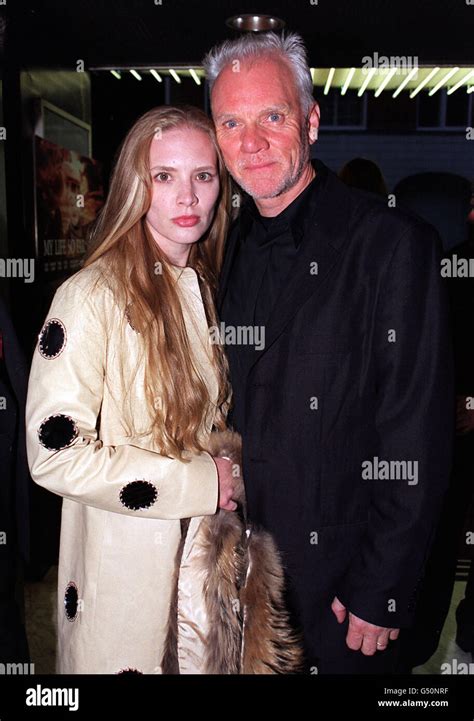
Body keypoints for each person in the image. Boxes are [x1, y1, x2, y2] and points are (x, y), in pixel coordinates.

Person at [203, 31, 454, 674]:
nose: (250, 141)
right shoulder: (213, 248)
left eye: (272, 117)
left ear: (311, 121)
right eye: (231, 120)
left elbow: (416, 431)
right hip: (238, 585)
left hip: (345, 596)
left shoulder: (392, 245)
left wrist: (384, 586)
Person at [25, 105, 237, 674]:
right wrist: (197, 484)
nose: (187, 197)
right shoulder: (89, 295)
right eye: (164, 176)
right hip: (123, 584)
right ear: (134, 187)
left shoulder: (204, 287)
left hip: (201, 576)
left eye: (203, 175)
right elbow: (53, 454)